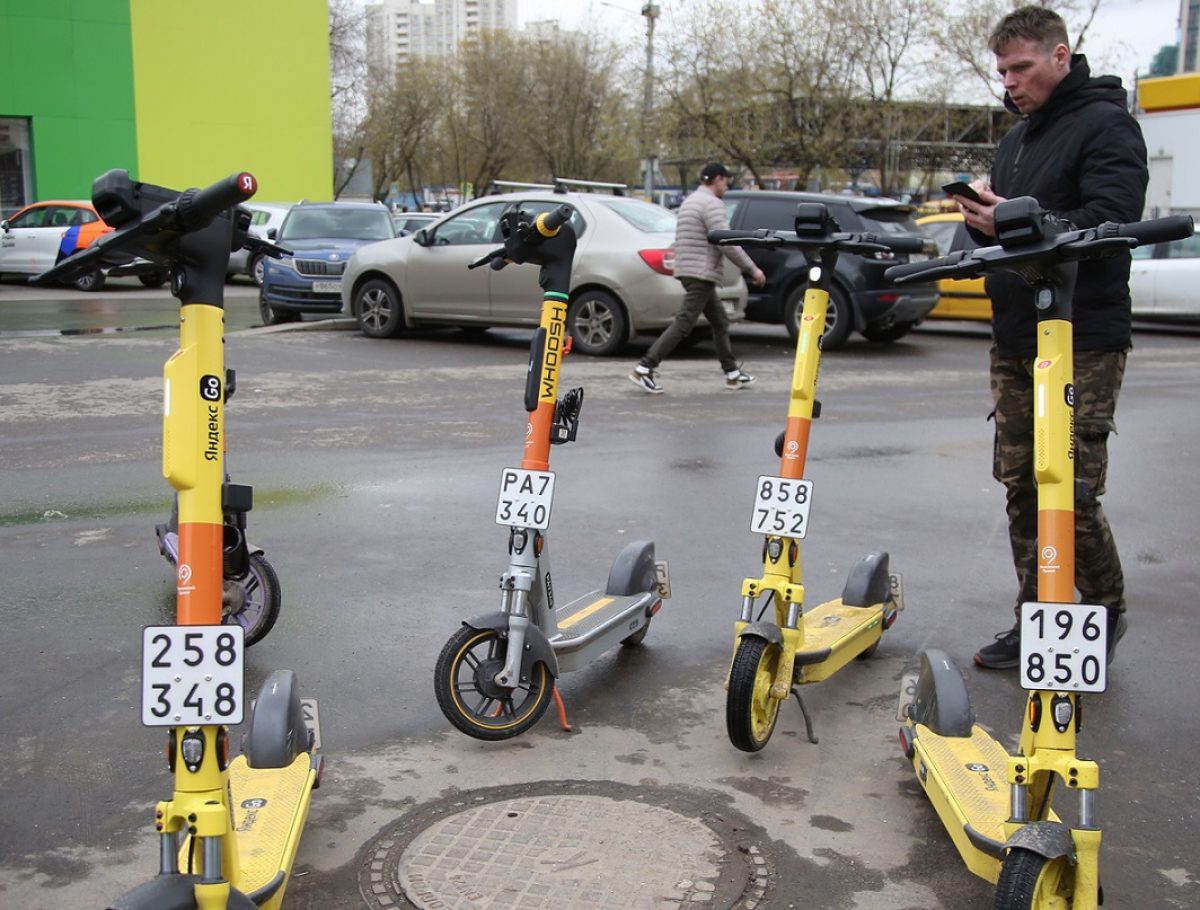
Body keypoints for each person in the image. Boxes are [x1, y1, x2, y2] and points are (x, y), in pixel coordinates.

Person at [956, 6, 1148, 669]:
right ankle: (1037, 617)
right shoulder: (1018, 140)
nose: (1009, 82)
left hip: (1081, 333)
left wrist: (1029, 222)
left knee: (1070, 488)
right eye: (1002, 70)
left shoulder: (1106, 125)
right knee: (1022, 486)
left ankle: (1102, 606)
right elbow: (1005, 232)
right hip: (1016, 334)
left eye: (1022, 67)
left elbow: (1114, 218)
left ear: (1060, 57)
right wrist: (983, 221)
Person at [630, 163, 766, 394]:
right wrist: (753, 269)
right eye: (725, 180)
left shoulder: (691, 201)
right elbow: (725, 241)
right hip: (700, 272)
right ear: (717, 179)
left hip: (688, 269)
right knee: (684, 323)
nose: (726, 185)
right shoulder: (712, 204)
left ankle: (732, 373)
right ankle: (645, 367)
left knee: (720, 321)